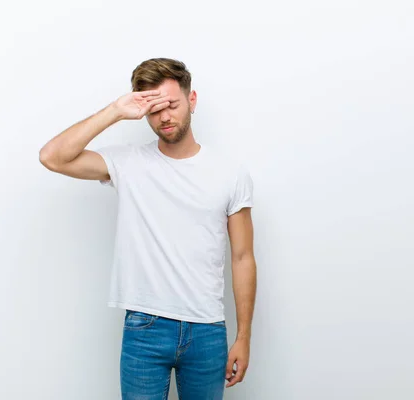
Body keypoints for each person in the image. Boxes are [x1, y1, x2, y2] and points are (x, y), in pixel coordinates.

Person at [39, 58, 257, 400]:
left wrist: (243, 336)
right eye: (154, 110)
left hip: (207, 331)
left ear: (192, 100)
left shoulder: (229, 173)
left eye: (172, 104)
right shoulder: (127, 163)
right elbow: (53, 157)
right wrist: (114, 110)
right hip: (145, 328)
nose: (165, 117)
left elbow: (243, 257)